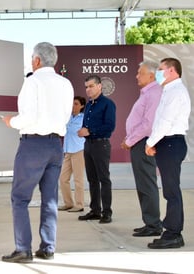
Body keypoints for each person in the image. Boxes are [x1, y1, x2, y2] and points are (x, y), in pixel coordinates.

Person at [1, 42, 73, 263]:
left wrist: (11, 121)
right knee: (49, 198)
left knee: (20, 198)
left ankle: (23, 248)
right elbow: (66, 116)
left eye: (32, 57)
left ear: (37, 60)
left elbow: (29, 117)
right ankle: (48, 247)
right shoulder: (66, 84)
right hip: (55, 145)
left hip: (33, 145)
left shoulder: (32, 82)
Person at [145, 57, 190, 249]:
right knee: (170, 190)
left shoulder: (176, 92)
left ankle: (173, 234)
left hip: (171, 143)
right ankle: (171, 231)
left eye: (161, 69)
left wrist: (150, 142)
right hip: (167, 144)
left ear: (172, 71)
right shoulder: (169, 91)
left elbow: (165, 122)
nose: (158, 72)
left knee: (171, 191)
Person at [120, 61, 163, 237]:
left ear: (151, 75)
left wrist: (130, 141)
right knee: (143, 184)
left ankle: (153, 225)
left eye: (140, 73)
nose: (137, 76)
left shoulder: (153, 93)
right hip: (139, 142)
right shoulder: (147, 93)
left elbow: (148, 125)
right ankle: (150, 222)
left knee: (147, 184)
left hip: (144, 143)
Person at [78, 75, 116, 224]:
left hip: (101, 145)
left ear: (100, 86)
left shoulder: (108, 104)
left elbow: (110, 126)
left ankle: (107, 212)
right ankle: (95, 210)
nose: (88, 89)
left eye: (91, 86)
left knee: (104, 179)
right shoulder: (88, 105)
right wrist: (84, 132)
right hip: (88, 145)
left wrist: (89, 131)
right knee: (92, 179)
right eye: (86, 87)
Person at [58, 95, 86, 212]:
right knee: (63, 178)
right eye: (72, 104)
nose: (73, 106)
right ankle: (68, 203)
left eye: (76, 104)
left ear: (82, 106)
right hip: (67, 151)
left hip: (79, 150)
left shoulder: (83, 118)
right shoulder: (67, 118)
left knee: (78, 180)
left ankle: (79, 205)